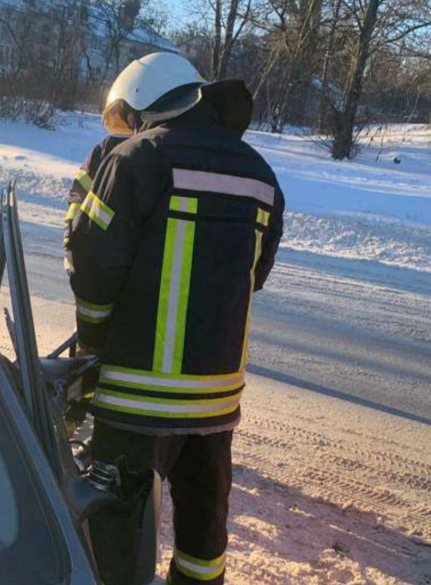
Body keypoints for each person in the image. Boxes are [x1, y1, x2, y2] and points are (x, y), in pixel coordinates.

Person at [65, 52, 285, 585]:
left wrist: (90, 348)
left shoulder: (136, 158)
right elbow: (254, 274)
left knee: (119, 531)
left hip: (136, 398)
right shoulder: (260, 172)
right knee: (204, 533)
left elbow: (92, 266)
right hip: (216, 400)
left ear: (140, 104)